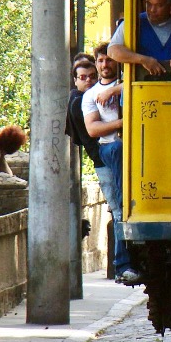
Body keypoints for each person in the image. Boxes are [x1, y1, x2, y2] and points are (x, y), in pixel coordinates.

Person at [82, 43, 140, 285]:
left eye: (109, 60)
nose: (105, 65)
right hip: (111, 149)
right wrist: (120, 124)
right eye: (101, 61)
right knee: (119, 209)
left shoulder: (127, 85)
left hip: (134, 148)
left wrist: (116, 89)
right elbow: (93, 129)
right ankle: (123, 264)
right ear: (96, 64)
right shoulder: (90, 96)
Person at [108, 0, 171, 76]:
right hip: (139, 87)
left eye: (159, 5)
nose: (152, 10)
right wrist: (143, 60)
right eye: (149, 4)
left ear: (170, 6)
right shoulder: (132, 23)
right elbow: (112, 50)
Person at [65, 58, 101, 239]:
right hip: (102, 157)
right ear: (76, 80)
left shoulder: (81, 98)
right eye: (83, 77)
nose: (89, 81)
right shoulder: (79, 102)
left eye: (93, 77)